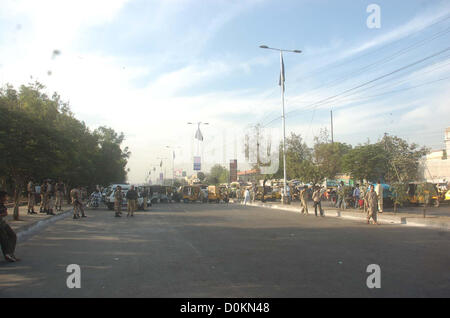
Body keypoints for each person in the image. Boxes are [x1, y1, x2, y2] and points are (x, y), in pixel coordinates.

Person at [0, 191, 20, 262]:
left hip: (2, 223)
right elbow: (4, 213)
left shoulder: (2, 204)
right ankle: (8, 254)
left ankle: (10, 254)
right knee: (4, 239)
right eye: (5, 197)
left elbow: (5, 213)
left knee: (13, 235)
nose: (6, 198)